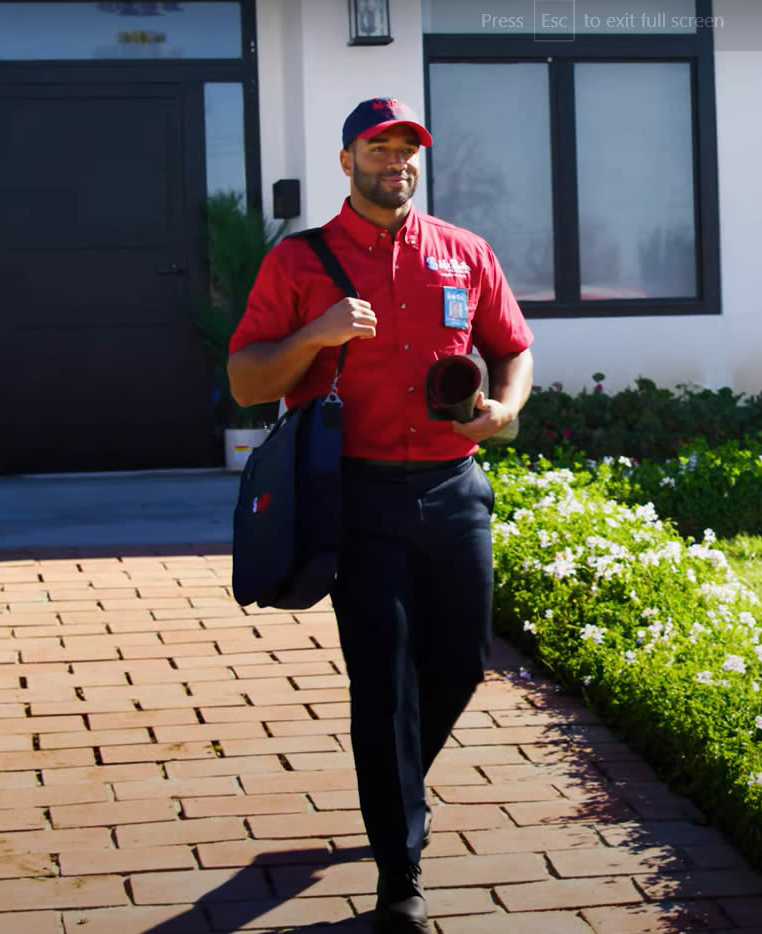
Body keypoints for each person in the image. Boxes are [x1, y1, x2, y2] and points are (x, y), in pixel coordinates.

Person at [225, 97, 535, 933]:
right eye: (378, 147)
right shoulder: (298, 263)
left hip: (453, 486)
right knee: (382, 678)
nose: (396, 160)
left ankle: (394, 785)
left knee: (463, 662)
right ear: (346, 160)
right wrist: (315, 336)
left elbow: (513, 346)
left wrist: (503, 409)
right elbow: (247, 382)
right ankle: (400, 870)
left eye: (407, 148)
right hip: (352, 493)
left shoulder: (463, 252)